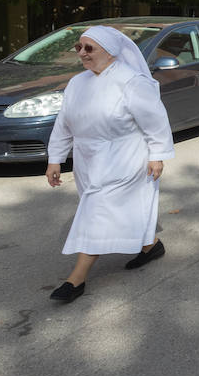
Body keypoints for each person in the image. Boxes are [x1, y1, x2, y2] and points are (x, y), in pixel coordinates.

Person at [46, 25, 174, 302]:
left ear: (110, 51)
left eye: (89, 48)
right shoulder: (77, 83)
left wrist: (157, 155)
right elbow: (63, 123)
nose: (82, 53)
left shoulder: (131, 81)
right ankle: (150, 245)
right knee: (111, 210)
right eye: (78, 47)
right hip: (88, 159)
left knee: (98, 212)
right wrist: (55, 159)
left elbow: (156, 120)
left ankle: (76, 280)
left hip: (125, 157)